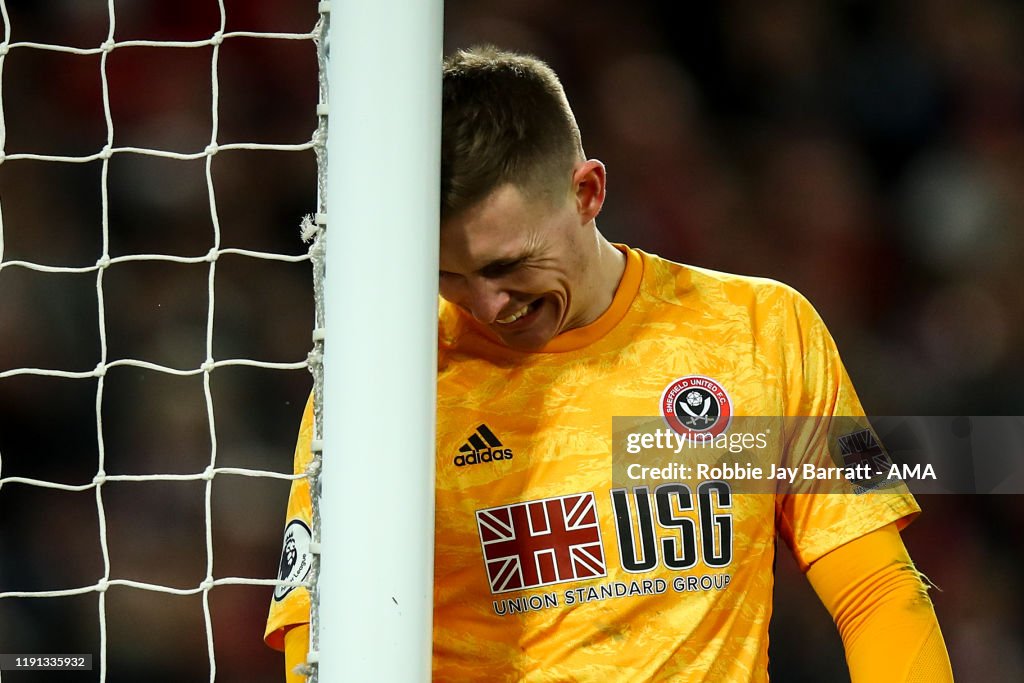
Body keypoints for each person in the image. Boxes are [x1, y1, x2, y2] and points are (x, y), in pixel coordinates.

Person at [266, 46, 953, 682]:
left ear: (588, 192)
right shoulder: (382, 382)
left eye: (509, 266)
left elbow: (877, 589)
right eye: (450, 273)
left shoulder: (764, 330)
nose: (487, 302)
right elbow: (313, 650)